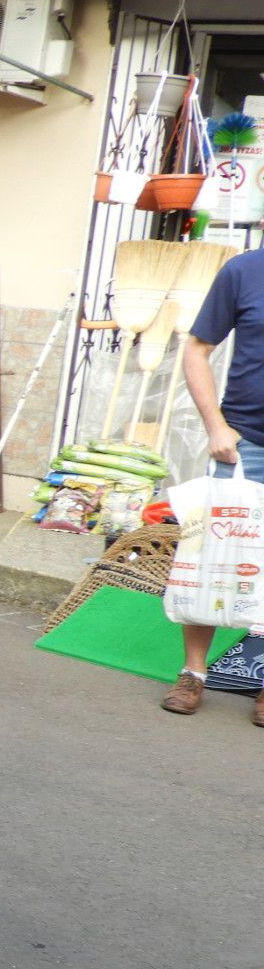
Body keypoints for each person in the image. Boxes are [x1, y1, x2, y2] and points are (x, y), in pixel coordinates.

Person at [162, 245, 264, 723]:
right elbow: (198, 348)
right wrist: (215, 426)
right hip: (243, 444)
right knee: (209, 555)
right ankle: (193, 672)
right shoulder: (243, 271)